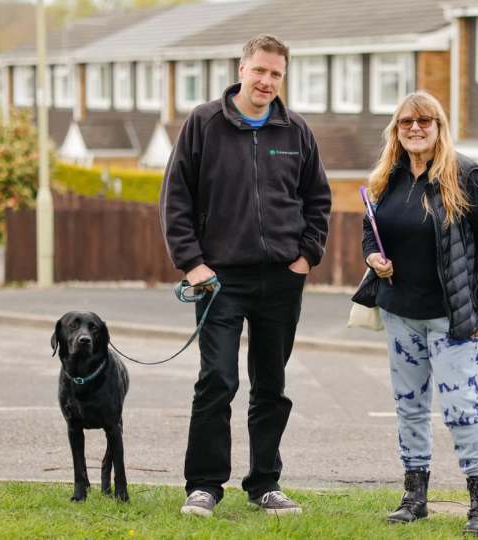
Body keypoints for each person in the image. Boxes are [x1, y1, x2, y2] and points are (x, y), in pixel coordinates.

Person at [159, 34, 331, 518]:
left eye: (276, 73)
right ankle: (205, 486)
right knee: (217, 378)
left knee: (271, 384)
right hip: (218, 280)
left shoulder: (295, 131)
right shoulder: (204, 123)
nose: (266, 81)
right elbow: (175, 199)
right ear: (241, 68)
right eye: (259, 70)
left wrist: (306, 257)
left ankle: (264, 483)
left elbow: (318, 200)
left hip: (281, 279)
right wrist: (192, 264)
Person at [358, 91, 478, 537]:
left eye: (425, 121)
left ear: (439, 126)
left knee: (460, 407)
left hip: (452, 316)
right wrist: (373, 258)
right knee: (410, 407)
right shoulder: (388, 176)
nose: (415, 128)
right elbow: (370, 227)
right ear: (396, 130)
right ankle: (415, 497)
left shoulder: (466, 175)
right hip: (401, 313)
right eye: (406, 122)